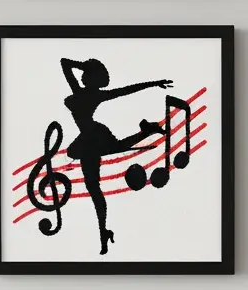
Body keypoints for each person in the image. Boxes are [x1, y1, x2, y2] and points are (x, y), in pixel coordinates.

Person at [60, 57, 171, 254]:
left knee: (94, 184)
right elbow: (64, 62)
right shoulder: (86, 93)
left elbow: (128, 89)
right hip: (90, 137)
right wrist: (89, 66)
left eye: (88, 74)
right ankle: (148, 131)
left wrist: (153, 83)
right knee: (97, 177)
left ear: (90, 78)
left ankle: (103, 233)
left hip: (92, 137)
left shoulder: (87, 93)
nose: (84, 76)